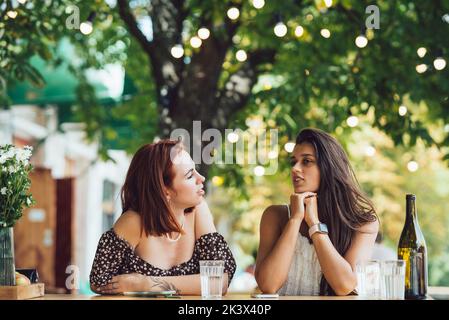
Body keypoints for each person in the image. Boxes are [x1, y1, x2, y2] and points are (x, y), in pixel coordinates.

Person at [89, 139, 236, 295]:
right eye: (189, 175)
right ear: (164, 189)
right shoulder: (133, 221)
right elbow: (99, 282)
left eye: (196, 169)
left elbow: (219, 283)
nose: (201, 178)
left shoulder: (198, 210)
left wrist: (147, 284)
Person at [255, 128, 379, 296]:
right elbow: (268, 285)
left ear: (328, 168)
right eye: (294, 162)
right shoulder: (274, 216)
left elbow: (344, 285)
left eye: (306, 161)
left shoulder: (363, 223)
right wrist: (295, 220)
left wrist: (314, 224)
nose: (295, 169)